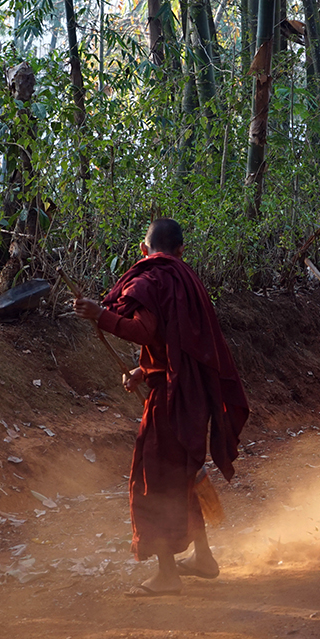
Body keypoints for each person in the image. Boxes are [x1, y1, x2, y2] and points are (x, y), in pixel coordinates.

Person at [74, 218, 249, 596]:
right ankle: (203, 558)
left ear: (143, 248)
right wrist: (144, 369)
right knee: (182, 476)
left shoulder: (149, 280)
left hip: (171, 400)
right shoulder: (188, 279)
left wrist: (99, 316)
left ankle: (167, 575)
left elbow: (145, 330)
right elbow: (177, 343)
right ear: (181, 251)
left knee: (153, 481)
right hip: (192, 394)